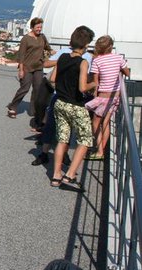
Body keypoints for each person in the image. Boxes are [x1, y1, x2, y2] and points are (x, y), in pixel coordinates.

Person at [31, 26, 95, 166]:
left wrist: (63, 62)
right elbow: (84, 84)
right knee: (62, 131)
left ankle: (51, 156)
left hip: (59, 96)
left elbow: (52, 76)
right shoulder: (84, 59)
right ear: (86, 44)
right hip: (73, 99)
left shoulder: (66, 55)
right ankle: (57, 160)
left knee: (56, 128)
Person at [49, 27, 97, 191]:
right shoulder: (82, 62)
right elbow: (83, 88)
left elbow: (52, 78)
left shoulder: (62, 57)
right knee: (85, 139)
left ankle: (56, 175)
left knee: (62, 139)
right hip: (75, 105)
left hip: (60, 102)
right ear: (86, 45)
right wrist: (95, 83)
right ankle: (69, 175)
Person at [85, 35, 130, 161]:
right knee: (106, 122)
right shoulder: (119, 58)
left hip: (103, 96)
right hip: (115, 96)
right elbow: (127, 72)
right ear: (111, 47)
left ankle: (99, 151)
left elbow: (96, 82)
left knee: (95, 123)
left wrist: (94, 93)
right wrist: (119, 70)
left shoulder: (97, 61)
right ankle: (102, 149)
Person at [6, 17, 52, 118]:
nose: (39, 29)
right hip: (27, 67)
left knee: (37, 89)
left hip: (38, 67)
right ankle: (12, 107)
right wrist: (21, 70)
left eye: (40, 27)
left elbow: (48, 48)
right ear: (32, 27)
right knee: (24, 88)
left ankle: (34, 110)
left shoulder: (42, 37)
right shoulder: (25, 39)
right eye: (37, 27)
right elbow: (21, 56)